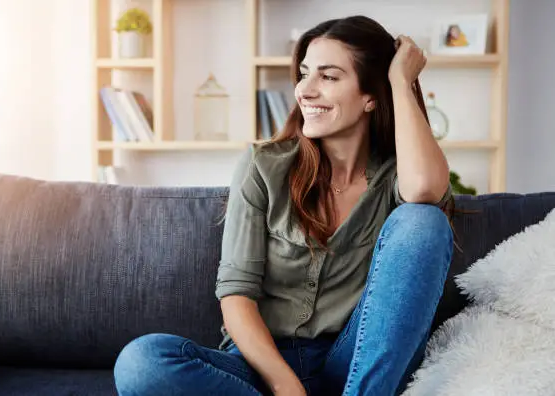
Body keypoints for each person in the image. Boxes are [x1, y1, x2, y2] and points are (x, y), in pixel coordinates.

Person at [113, 15, 454, 396]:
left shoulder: (398, 178)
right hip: (261, 369)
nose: (305, 90)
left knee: (424, 222)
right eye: (304, 74)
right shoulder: (264, 165)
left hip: (352, 366)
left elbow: (425, 189)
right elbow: (237, 296)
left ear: (370, 96)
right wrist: (285, 386)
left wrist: (400, 81)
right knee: (141, 363)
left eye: (328, 77)